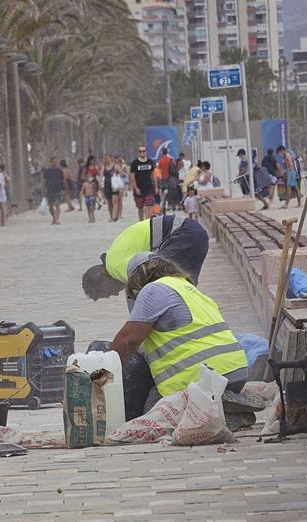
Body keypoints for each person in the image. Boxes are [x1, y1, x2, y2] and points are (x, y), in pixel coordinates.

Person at [110, 253, 249, 416]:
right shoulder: (188, 288)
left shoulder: (152, 290)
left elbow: (127, 341)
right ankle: (224, 409)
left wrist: (104, 372)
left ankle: (210, 413)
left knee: (153, 416)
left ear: (137, 279)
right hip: (236, 373)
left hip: (202, 378)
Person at [81, 213, 210, 302]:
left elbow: (142, 291)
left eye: (108, 293)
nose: (115, 294)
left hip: (181, 235)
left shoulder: (115, 267)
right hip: (189, 231)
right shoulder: (113, 257)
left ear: (103, 278)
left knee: (165, 291)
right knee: (184, 291)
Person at [129, 146, 156, 221]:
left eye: (143, 151)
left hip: (149, 188)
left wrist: (156, 186)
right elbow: (132, 176)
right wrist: (135, 188)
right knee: (140, 208)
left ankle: (147, 222)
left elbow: (153, 175)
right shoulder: (135, 163)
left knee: (149, 205)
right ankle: (141, 222)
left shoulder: (150, 162)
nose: (142, 153)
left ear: (146, 152)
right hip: (139, 189)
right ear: (138, 152)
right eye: (140, 151)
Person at [42, 158, 65, 225]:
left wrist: (64, 189)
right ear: (51, 162)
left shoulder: (60, 171)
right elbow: (44, 181)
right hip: (50, 190)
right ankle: (54, 218)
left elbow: (63, 181)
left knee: (57, 204)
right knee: (51, 206)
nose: (54, 163)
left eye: (56, 162)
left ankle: (56, 219)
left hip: (58, 190)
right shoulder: (47, 171)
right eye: (53, 162)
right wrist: (43, 190)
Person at [101, 155, 118, 222]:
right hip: (107, 186)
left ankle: (115, 216)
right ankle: (111, 216)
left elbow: (122, 172)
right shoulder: (104, 167)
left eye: (108, 158)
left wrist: (117, 174)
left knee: (115, 201)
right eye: (105, 159)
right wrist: (101, 186)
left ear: (111, 159)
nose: (107, 160)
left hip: (114, 186)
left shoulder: (115, 166)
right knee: (109, 202)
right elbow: (101, 176)